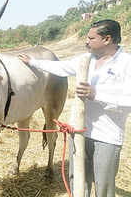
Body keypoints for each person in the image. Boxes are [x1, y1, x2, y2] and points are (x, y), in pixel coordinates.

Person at [18, 19, 131, 197]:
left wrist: (96, 95)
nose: (86, 41)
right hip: (78, 132)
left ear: (107, 39)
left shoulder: (126, 63)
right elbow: (61, 67)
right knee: (77, 181)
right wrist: (34, 62)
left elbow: (128, 101)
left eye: (91, 38)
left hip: (106, 137)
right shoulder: (85, 59)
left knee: (103, 186)